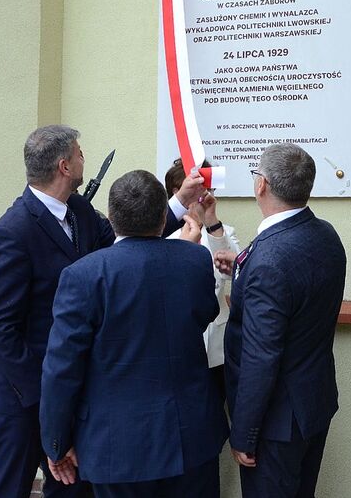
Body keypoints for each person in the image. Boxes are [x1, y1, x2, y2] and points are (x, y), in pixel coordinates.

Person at [40, 169, 228, 497]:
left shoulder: (83, 275)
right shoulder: (195, 258)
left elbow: (62, 369)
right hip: (189, 437)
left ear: (111, 218)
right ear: (163, 217)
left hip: (118, 446)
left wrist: (56, 441)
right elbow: (204, 314)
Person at [0, 125, 115, 498]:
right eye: (79, 152)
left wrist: (178, 205)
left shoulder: (80, 210)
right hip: (21, 396)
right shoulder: (13, 231)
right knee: (10, 490)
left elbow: (124, 245)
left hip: (70, 390)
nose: (84, 157)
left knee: (71, 488)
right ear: (64, 166)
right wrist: (45, 393)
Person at [214, 143, 347, 498]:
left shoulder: (269, 260)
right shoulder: (325, 234)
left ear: (262, 184)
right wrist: (244, 268)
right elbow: (296, 284)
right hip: (312, 405)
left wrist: (244, 433)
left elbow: (261, 356)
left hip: (275, 424)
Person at [164, 158, 240, 390]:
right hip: (177, 342)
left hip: (217, 345)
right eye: (198, 188)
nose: (205, 194)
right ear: (177, 192)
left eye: (209, 188)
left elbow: (234, 273)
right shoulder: (163, 235)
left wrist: (212, 221)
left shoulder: (222, 231)